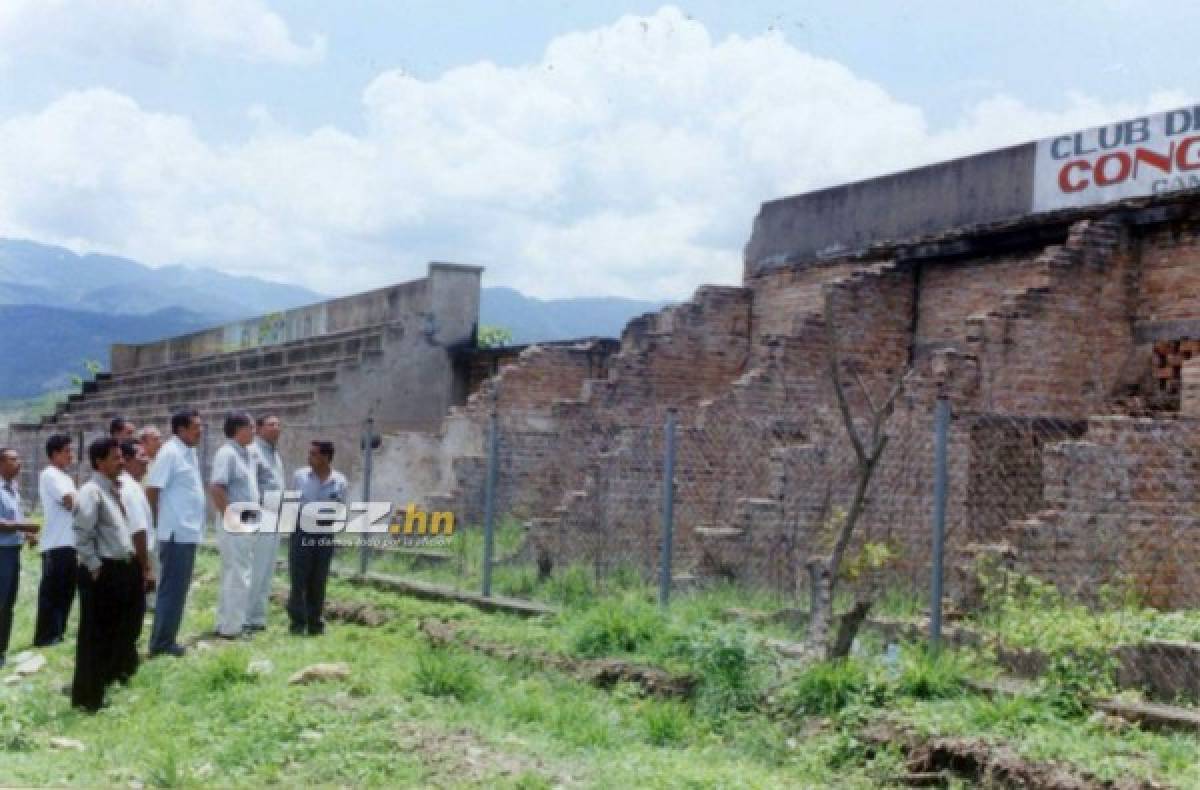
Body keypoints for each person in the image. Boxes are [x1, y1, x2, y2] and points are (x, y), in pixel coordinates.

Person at [71, 438, 147, 712]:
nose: (122, 462)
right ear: (99, 462)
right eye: (116, 458)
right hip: (103, 570)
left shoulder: (115, 490)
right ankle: (88, 699)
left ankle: (111, 681)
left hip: (121, 567)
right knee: (95, 635)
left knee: (120, 629)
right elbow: (82, 533)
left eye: (121, 457)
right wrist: (94, 566)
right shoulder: (91, 492)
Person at [146, 409, 206, 658]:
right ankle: (161, 643)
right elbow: (152, 490)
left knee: (179, 590)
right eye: (195, 427)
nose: (200, 431)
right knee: (171, 589)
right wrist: (159, 523)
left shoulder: (188, 453)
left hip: (188, 532)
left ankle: (167, 638)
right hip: (175, 534)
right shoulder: (169, 453)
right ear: (181, 430)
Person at [288, 441, 346, 636]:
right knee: (299, 579)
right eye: (309, 453)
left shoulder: (339, 481)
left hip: (324, 534)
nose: (309, 457)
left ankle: (315, 624)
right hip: (302, 531)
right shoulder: (300, 476)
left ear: (326, 458)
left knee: (318, 579)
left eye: (314, 454)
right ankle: (297, 624)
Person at [209, 412, 259, 639]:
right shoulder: (227, 453)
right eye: (251, 427)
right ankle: (234, 628)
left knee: (236, 572)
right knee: (238, 573)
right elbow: (217, 488)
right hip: (235, 519)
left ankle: (226, 623)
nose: (254, 431)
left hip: (246, 517)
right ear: (238, 429)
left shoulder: (246, 454)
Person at [34, 434, 78, 646]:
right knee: (52, 592)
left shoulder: (66, 477)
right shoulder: (49, 474)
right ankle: (46, 636)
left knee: (67, 590)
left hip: (70, 542)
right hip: (56, 543)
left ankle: (58, 633)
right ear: (55, 454)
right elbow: (70, 501)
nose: (71, 455)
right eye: (67, 451)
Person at [0, 448, 39, 668]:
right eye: (13, 459)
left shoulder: (13, 489)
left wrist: (27, 534)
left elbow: (14, 518)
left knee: (8, 604)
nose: (19, 463)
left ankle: (1, 651)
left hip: (12, 552)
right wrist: (24, 526)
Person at [246, 414, 284, 632]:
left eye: (278, 424)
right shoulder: (253, 452)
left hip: (276, 515)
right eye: (271, 425)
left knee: (268, 569)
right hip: (261, 515)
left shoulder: (274, 453)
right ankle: (246, 618)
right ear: (259, 429)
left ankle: (258, 617)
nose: (276, 428)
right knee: (257, 568)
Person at [119, 440, 157, 612]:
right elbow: (137, 529)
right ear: (126, 460)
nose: (147, 460)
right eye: (141, 456)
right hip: (137, 554)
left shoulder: (133, 485)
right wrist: (146, 567)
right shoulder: (129, 488)